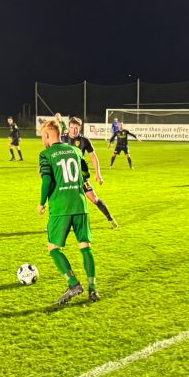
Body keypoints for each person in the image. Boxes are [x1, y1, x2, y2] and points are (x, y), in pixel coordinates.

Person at [38, 119, 102, 305]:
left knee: (53, 248)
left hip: (61, 207)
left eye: (43, 136)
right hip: (80, 205)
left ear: (49, 135)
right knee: (85, 246)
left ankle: (73, 283)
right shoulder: (75, 151)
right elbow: (84, 177)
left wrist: (42, 203)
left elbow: (46, 181)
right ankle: (93, 290)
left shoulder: (46, 154)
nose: (43, 140)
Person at [63, 117, 119, 229]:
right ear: (68, 127)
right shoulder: (61, 139)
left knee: (94, 198)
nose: (74, 130)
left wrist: (98, 174)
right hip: (65, 177)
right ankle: (55, 225)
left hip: (80, 176)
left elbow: (93, 157)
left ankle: (110, 219)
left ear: (80, 128)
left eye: (76, 128)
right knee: (61, 200)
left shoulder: (84, 140)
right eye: (72, 127)